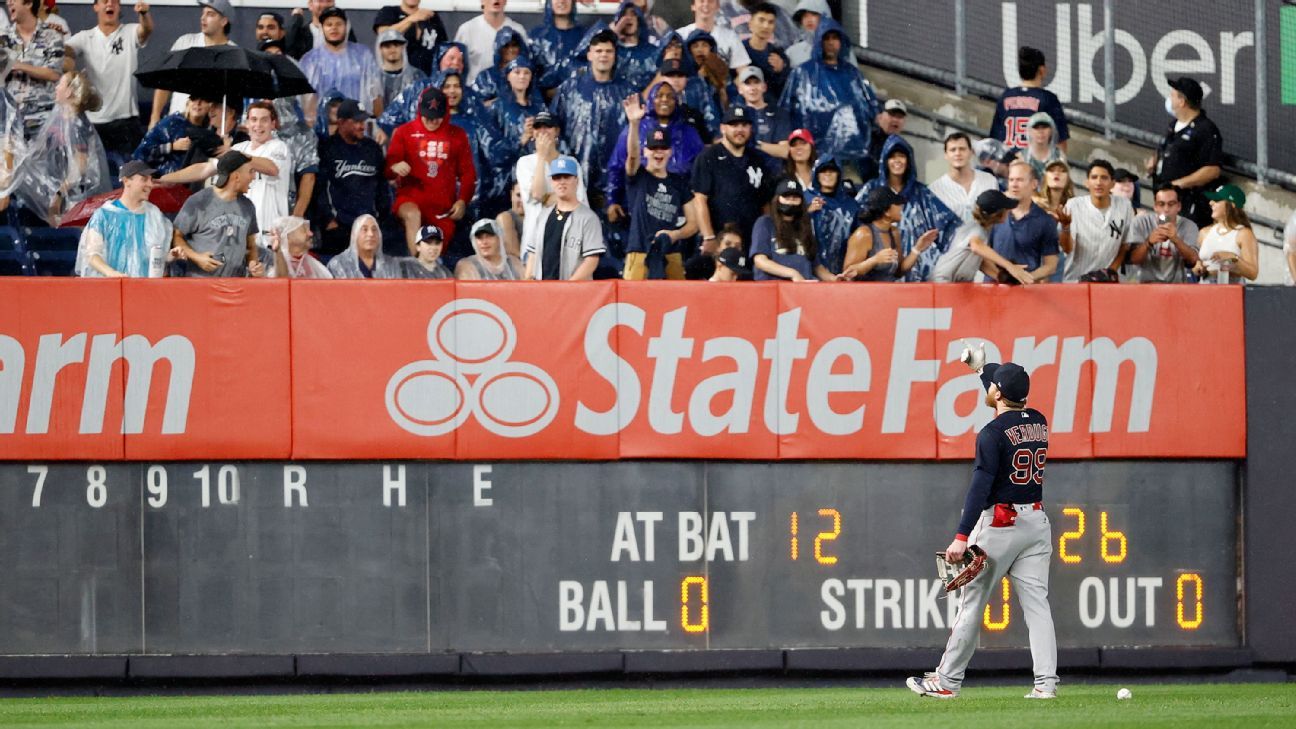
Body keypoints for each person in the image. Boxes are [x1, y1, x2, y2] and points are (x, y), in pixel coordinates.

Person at [907, 350, 1058, 700]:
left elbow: (979, 486)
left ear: (998, 394)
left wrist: (961, 536)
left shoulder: (991, 433)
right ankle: (1046, 685)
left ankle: (947, 681)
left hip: (1001, 525)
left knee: (971, 603)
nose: (987, 387)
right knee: (1038, 607)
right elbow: (1000, 385)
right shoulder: (1039, 420)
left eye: (991, 385)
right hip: (1036, 522)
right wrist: (980, 368)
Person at [7, 69, 108, 224]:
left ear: (68, 92)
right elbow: (41, 151)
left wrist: (60, 193)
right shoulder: (60, 117)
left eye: (60, 84)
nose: (55, 87)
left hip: (73, 195)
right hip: (56, 185)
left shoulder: (78, 125)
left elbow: (80, 167)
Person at [549, 26, 633, 209]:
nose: (604, 55)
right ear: (589, 55)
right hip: (576, 178)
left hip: (616, 184)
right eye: (599, 51)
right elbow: (554, 129)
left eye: (609, 51)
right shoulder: (569, 89)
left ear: (615, 55)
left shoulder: (627, 92)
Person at [855, 134, 959, 282]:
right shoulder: (871, 189)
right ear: (885, 161)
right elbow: (855, 224)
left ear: (908, 160)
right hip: (879, 275)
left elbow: (949, 226)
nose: (897, 161)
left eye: (902, 156)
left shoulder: (922, 194)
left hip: (916, 273)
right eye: (892, 156)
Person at [778, 17, 876, 171]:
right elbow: (785, 110)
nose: (831, 43)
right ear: (819, 41)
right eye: (826, 38)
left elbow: (871, 107)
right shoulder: (802, 73)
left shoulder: (853, 74)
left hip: (852, 157)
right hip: (811, 156)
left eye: (835, 38)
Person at [386, 86, 475, 254]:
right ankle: (417, 267)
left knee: (434, 252)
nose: (432, 122)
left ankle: (426, 272)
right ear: (420, 112)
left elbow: (468, 173)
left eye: (437, 118)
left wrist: (463, 200)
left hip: (442, 210)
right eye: (428, 117)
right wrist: (395, 167)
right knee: (413, 215)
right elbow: (387, 169)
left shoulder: (458, 135)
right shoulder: (404, 132)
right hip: (409, 201)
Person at [64, 0, 150, 162]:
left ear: (119, 7)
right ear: (96, 7)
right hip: (93, 121)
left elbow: (146, 30)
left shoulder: (130, 31)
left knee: (132, 174)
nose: (110, 4)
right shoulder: (85, 37)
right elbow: (67, 52)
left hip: (126, 120)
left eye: (114, 1)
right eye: (104, 1)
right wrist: (60, 47)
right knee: (93, 174)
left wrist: (144, 14)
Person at [605, 81, 703, 220]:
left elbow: (700, 171)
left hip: (679, 206)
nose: (664, 99)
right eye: (659, 95)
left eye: (670, 96)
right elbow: (618, 166)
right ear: (650, 99)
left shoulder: (689, 132)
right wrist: (612, 200)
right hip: (642, 202)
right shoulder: (635, 129)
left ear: (676, 101)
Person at [691, 104, 775, 250]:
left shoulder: (758, 159)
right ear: (723, 128)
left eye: (744, 125)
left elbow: (765, 204)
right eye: (734, 125)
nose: (740, 130)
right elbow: (699, 200)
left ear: (751, 129)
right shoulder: (708, 157)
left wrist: (765, 236)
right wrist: (708, 236)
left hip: (752, 240)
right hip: (720, 238)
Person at [170, 150, 262, 278]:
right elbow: (176, 236)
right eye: (251, 172)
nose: (253, 177)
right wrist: (197, 257)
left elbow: (251, 246)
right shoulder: (199, 201)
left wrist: (253, 264)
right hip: (200, 284)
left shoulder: (248, 206)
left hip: (235, 286)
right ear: (236, 176)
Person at [315, 99, 390, 256]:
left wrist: (381, 218)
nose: (362, 126)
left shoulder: (372, 148)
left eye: (363, 121)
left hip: (369, 226)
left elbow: (382, 187)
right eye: (356, 121)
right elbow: (319, 188)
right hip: (339, 227)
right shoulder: (327, 148)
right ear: (341, 122)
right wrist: (329, 220)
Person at [622, 124, 696, 280]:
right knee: (633, 301)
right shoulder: (639, 176)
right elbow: (632, 156)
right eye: (653, 148)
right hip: (639, 252)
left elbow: (694, 224)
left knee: (676, 302)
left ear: (670, 151)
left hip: (671, 254)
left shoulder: (679, 182)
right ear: (645, 151)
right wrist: (634, 123)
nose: (658, 152)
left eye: (663, 147)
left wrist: (675, 234)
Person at [75, 159, 171, 277]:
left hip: (144, 290)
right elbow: (92, 254)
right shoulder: (104, 215)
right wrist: (112, 273)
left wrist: (169, 256)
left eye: (151, 180)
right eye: (144, 179)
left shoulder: (154, 215)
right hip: (111, 289)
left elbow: (154, 256)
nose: (150, 184)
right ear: (127, 181)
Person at [1149, 76, 1223, 229]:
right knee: (1164, 237)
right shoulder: (1173, 125)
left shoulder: (1206, 130)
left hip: (1189, 204)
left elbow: (1212, 170)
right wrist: (1155, 163)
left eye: (1173, 95)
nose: (1169, 99)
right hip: (1166, 202)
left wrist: (1179, 184)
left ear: (1182, 101)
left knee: (1185, 243)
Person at [516, 110, 588, 263]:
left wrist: (554, 198)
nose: (542, 131)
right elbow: (538, 194)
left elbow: (578, 203)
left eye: (547, 127)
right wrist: (542, 156)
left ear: (556, 131)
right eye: (538, 128)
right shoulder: (525, 163)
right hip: (535, 243)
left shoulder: (571, 163)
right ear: (533, 133)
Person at [148, 0, 232, 130]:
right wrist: (155, 117)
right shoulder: (186, 42)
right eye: (203, 13)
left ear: (223, 21)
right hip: (176, 123)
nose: (203, 18)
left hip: (209, 129)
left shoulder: (233, 53)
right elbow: (164, 83)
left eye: (210, 14)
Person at [524, 155, 604, 280]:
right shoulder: (543, 215)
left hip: (574, 294)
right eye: (557, 177)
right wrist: (528, 280)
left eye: (566, 177)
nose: (562, 181)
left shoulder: (589, 218)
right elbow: (533, 253)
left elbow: (591, 260)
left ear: (576, 181)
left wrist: (568, 288)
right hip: (541, 290)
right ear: (551, 182)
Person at [300, 7, 383, 126]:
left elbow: (375, 93)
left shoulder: (363, 55)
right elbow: (307, 100)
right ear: (322, 28)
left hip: (357, 126)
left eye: (339, 24)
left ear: (346, 26)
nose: (334, 28)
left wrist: (377, 123)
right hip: (324, 130)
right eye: (329, 24)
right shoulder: (310, 60)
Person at [932, 188, 1033, 284]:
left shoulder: (981, 230)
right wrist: (1009, 266)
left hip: (953, 283)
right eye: (1006, 209)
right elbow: (976, 246)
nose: (1009, 212)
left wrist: (1001, 276)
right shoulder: (976, 229)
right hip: (943, 282)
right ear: (998, 213)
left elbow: (980, 260)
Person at [1059, 160, 1134, 283]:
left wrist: (1110, 272)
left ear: (1112, 184)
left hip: (1109, 283)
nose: (1099, 182)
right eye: (1094, 177)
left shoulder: (1124, 205)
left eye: (1104, 178)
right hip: (1076, 280)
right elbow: (1067, 249)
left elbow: (1125, 245)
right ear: (1087, 183)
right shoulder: (1073, 205)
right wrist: (1065, 226)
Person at [989, 160, 1059, 284]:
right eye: (1011, 180)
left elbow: (1051, 265)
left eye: (1020, 180)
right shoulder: (994, 215)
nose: (1014, 185)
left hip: (1026, 293)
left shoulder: (1045, 220)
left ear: (1034, 184)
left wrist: (1025, 278)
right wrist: (1000, 277)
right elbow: (982, 253)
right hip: (992, 290)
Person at [2, 0, 63, 140]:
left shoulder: (52, 35)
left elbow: (54, 73)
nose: (8, 3)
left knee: (44, 162)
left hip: (44, 122)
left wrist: (17, 65)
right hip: (10, 123)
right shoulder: (3, 39)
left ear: (29, 3)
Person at [990, 46, 1068, 153]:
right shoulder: (1048, 99)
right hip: (1035, 164)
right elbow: (1060, 143)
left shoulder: (1005, 96)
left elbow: (994, 140)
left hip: (1008, 164)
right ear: (1042, 70)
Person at [751, 178, 825, 281]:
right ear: (777, 199)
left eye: (795, 197)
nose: (791, 201)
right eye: (786, 196)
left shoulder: (804, 225)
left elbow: (816, 266)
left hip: (801, 291)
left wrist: (835, 279)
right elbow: (760, 260)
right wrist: (792, 273)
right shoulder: (765, 223)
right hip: (772, 290)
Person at [838, 188, 917, 282]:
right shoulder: (864, 234)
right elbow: (847, 273)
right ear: (886, 211)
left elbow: (899, 271)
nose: (901, 207)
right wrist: (874, 260)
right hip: (867, 293)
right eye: (896, 204)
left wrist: (917, 249)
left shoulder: (894, 232)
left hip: (889, 292)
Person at [1127, 184, 1199, 284]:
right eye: (1161, 204)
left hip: (1176, 287)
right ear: (1155, 206)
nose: (1166, 209)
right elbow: (1134, 259)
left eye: (1171, 204)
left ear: (1179, 206)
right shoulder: (1140, 222)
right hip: (1144, 286)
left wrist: (1176, 240)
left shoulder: (1189, 226)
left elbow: (1192, 261)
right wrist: (1149, 242)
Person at [1193, 184, 1258, 285]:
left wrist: (1233, 258)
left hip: (1231, 293)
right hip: (1205, 291)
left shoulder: (1243, 234)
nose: (1211, 203)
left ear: (1231, 204)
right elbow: (1196, 264)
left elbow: (1253, 273)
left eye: (1217, 200)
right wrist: (1198, 267)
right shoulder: (1204, 232)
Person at [131, 95, 213, 175]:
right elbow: (142, 152)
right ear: (188, 103)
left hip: (191, 182)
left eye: (204, 99)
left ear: (211, 106)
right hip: (160, 180)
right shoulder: (171, 123)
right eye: (194, 98)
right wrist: (172, 146)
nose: (198, 103)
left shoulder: (211, 130)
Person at [929, 132, 999, 224]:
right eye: (953, 150)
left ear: (971, 152)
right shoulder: (935, 189)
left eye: (962, 149)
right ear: (946, 155)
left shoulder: (989, 181)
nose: (958, 153)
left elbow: (998, 218)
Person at [806, 155, 857, 277]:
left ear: (839, 174)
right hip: (810, 270)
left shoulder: (851, 205)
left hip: (844, 270)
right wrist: (807, 211)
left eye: (832, 171)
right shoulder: (805, 198)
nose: (827, 174)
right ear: (816, 174)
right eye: (823, 171)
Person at [454, 0, 526, 86]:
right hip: (475, 94)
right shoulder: (467, 30)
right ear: (482, 1)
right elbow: (455, 67)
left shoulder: (518, 30)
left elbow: (526, 65)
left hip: (510, 93)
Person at [372, 0, 446, 75]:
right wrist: (411, 18)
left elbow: (444, 47)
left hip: (428, 77)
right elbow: (383, 35)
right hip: (397, 78)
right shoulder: (389, 12)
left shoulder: (432, 16)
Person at [530, 0, 586, 97]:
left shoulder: (585, 36)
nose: (562, 1)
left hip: (578, 100)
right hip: (543, 103)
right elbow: (528, 74)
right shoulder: (536, 37)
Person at [469, 26, 533, 107]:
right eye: (506, 46)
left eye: (514, 45)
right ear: (498, 48)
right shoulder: (485, 77)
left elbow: (537, 104)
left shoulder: (529, 74)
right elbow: (475, 106)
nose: (511, 50)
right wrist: (502, 102)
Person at [736, 66, 791, 159]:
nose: (753, 88)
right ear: (740, 89)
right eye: (748, 83)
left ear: (764, 87)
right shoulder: (734, 115)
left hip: (773, 170)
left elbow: (785, 151)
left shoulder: (779, 114)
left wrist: (755, 145)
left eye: (756, 82)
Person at [677, 0, 750, 70]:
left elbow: (743, 71)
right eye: (701, 1)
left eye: (710, 1)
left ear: (717, 6)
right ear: (693, 6)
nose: (706, 4)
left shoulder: (730, 37)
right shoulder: (680, 36)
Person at [327, 213, 402, 278]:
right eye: (364, 229)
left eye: (374, 229)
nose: (370, 234)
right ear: (354, 235)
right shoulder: (338, 264)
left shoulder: (391, 264)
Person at [741, 2, 789, 102]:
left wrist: (781, 71)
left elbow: (785, 90)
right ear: (750, 24)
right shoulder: (739, 51)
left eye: (770, 22)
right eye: (761, 20)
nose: (766, 26)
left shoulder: (779, 56)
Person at [283, 0, 357, 60]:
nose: (325, 5)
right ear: (310, 5)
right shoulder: (302, 34)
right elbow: (289, 53)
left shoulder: (343, 31)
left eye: (329, 1)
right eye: (320, 1)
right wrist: (297, 19)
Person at [610, 1, 657, 92]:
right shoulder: (610, 51)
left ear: (639, 20)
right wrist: (615, 32)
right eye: (624, 15)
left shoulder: (652, 52)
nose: (628, 18)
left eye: (633, 14)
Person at [456, 218, 524, 279]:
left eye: (489, 236)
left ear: (499, 238)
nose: (484, 242)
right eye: (479, 238)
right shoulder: (467, 266)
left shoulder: (514, 262)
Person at [376, 28, 427, 109]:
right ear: (380, 49)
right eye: (387, 46)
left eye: (396, 45)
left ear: (403, 47)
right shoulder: (374, 77)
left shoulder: (417, 76)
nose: (392, 50)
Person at [267, 214, 331, 278]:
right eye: (304, 230)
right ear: (287, 237)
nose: (311, 234)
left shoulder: (312, 263)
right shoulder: (273, 262)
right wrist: (278, 252)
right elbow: (281, 283)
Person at [865, 98, 906, 178]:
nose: (895, 120)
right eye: (892, 114)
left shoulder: (903, 148)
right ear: (879, 118)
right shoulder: (867, 138)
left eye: (900, 117)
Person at [1021, 112, 1063, 182]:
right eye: (1036, 127)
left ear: (1051, 130)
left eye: (1044, 127)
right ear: (1029, 131)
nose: (1040, 131)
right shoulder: (1021, 157)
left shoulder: (1059, 156)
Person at [1033, 158, 1074, 223]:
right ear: (1045, 177)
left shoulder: (1074, 208)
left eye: (1062, 171)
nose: (1057, 173)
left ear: (1068, 179)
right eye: (1052, 170)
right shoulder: (1034, 203)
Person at [495, 181, 524, 258]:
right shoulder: (505, 217)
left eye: (526, 195)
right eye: (519, 195)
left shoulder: (537, 217)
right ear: (511, 195)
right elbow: (512, 252)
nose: (522, 200)